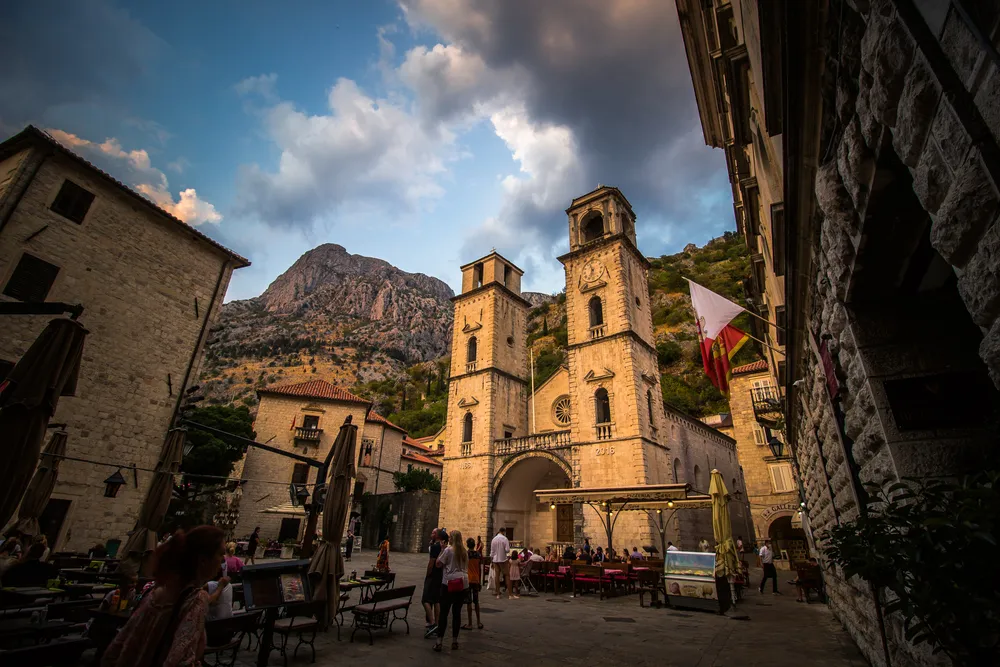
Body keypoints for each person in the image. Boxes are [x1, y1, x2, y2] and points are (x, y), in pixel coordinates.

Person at [102, 525, 226, 667]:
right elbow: (179, 661)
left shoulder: (154, 593)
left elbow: (115, 649)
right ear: (203, 560)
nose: (223, 561)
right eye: (220, 554)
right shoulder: (196, 600)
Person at [434, 529, 469, 652]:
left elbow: (438, 564)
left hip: (449, 583)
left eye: (450, 537)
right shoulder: (464, 551)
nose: (448, 539)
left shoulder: (448, 550)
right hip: (462, 584)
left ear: (452, 539)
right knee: (457, 613)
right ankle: (454, 641)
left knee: (444, 613)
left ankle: (439, 642)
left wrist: (442, 550)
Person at [422, 528, 445, 637]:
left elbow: (431, 562)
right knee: (437, 600)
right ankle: (437, 623)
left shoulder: (435, 547)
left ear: (437, 535)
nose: (431, 534)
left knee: (425, 599)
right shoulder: (443, 546)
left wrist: (428, 575)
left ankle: (431, 623)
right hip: (441, 575)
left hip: (433, 575)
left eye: (433, 533)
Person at [463, 537, 483, 631]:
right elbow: (479, 568)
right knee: (476, 601)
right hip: (476, 580)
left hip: (468, 579)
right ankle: (479, 622)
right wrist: (480, 581)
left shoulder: (466, 554)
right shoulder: (478, 554)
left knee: (468, 602)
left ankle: (470, 623)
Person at [489, 527, 512, 600]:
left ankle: (498, 594)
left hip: (495, 560)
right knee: (507, 575)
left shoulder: (494, 539)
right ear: (504, 532)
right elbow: (507, 550)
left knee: (497, 576)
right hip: (503, 559)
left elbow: (492, 552)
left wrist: (491, 560)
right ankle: (510, 594)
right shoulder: (504, 539)